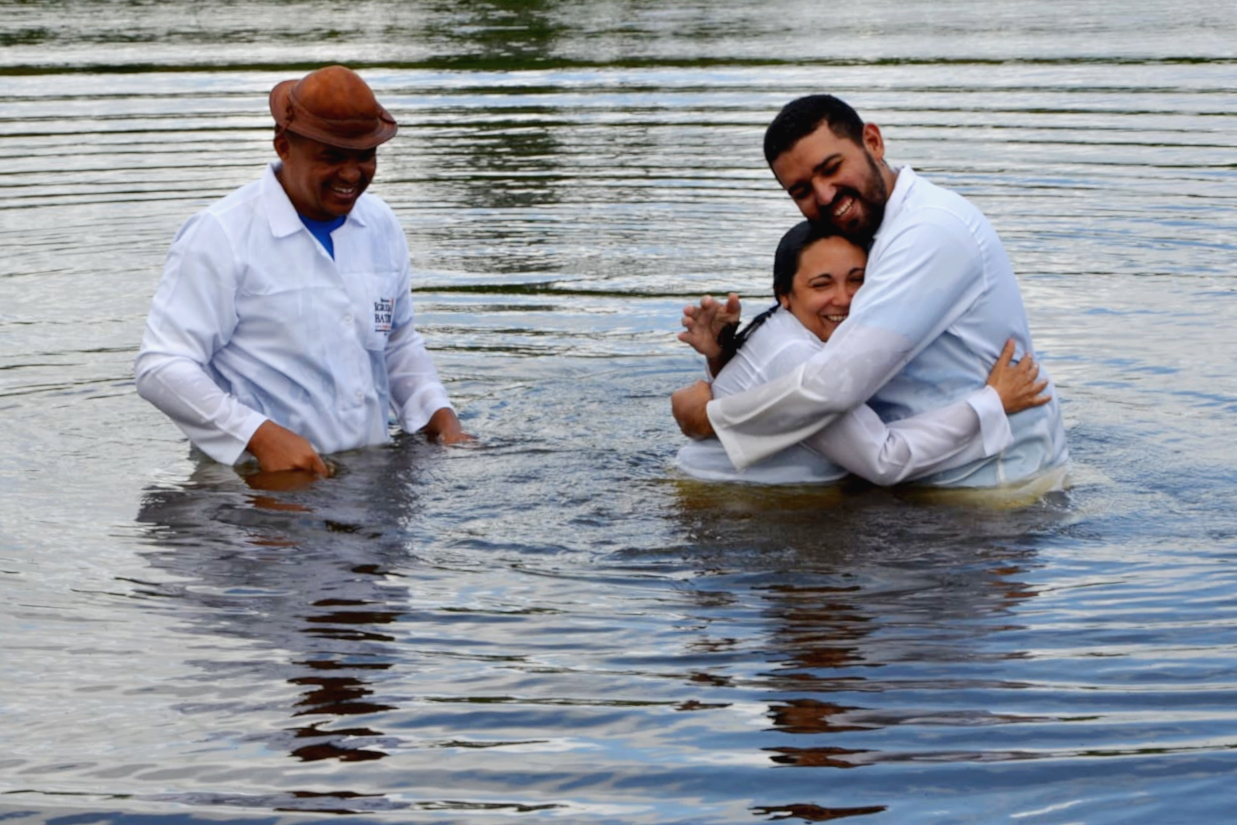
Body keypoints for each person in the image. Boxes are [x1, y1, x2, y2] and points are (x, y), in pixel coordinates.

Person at [672, 94, 1069, 491]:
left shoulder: (928, 233)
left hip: (991, 486)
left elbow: (833, 385)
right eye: (802, 190)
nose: (824, 195)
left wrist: (713, 417)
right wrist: (724, 360)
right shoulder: (864, 233)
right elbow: (808, 362)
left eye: (832, 168)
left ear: (874, 143)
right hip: (932, 483)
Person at [135, 66, 470, 480]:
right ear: (283, 146)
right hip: (258, 485)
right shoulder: (221, 233)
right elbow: (162, 366)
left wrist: (441, 417)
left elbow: (397, 343)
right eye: (332, 157)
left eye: (365, 156)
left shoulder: (380, 224)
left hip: (370, 476)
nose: (352, 174)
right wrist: (259, 436)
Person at [675, 221, 1050, 485]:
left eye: (858, 280)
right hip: (723, 507)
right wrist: (991, 403)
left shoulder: (787, 331)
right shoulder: (796, 354)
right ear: (784, 296)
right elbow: (884, 461)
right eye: (822, 285)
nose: (844, 299)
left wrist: (717, 359)